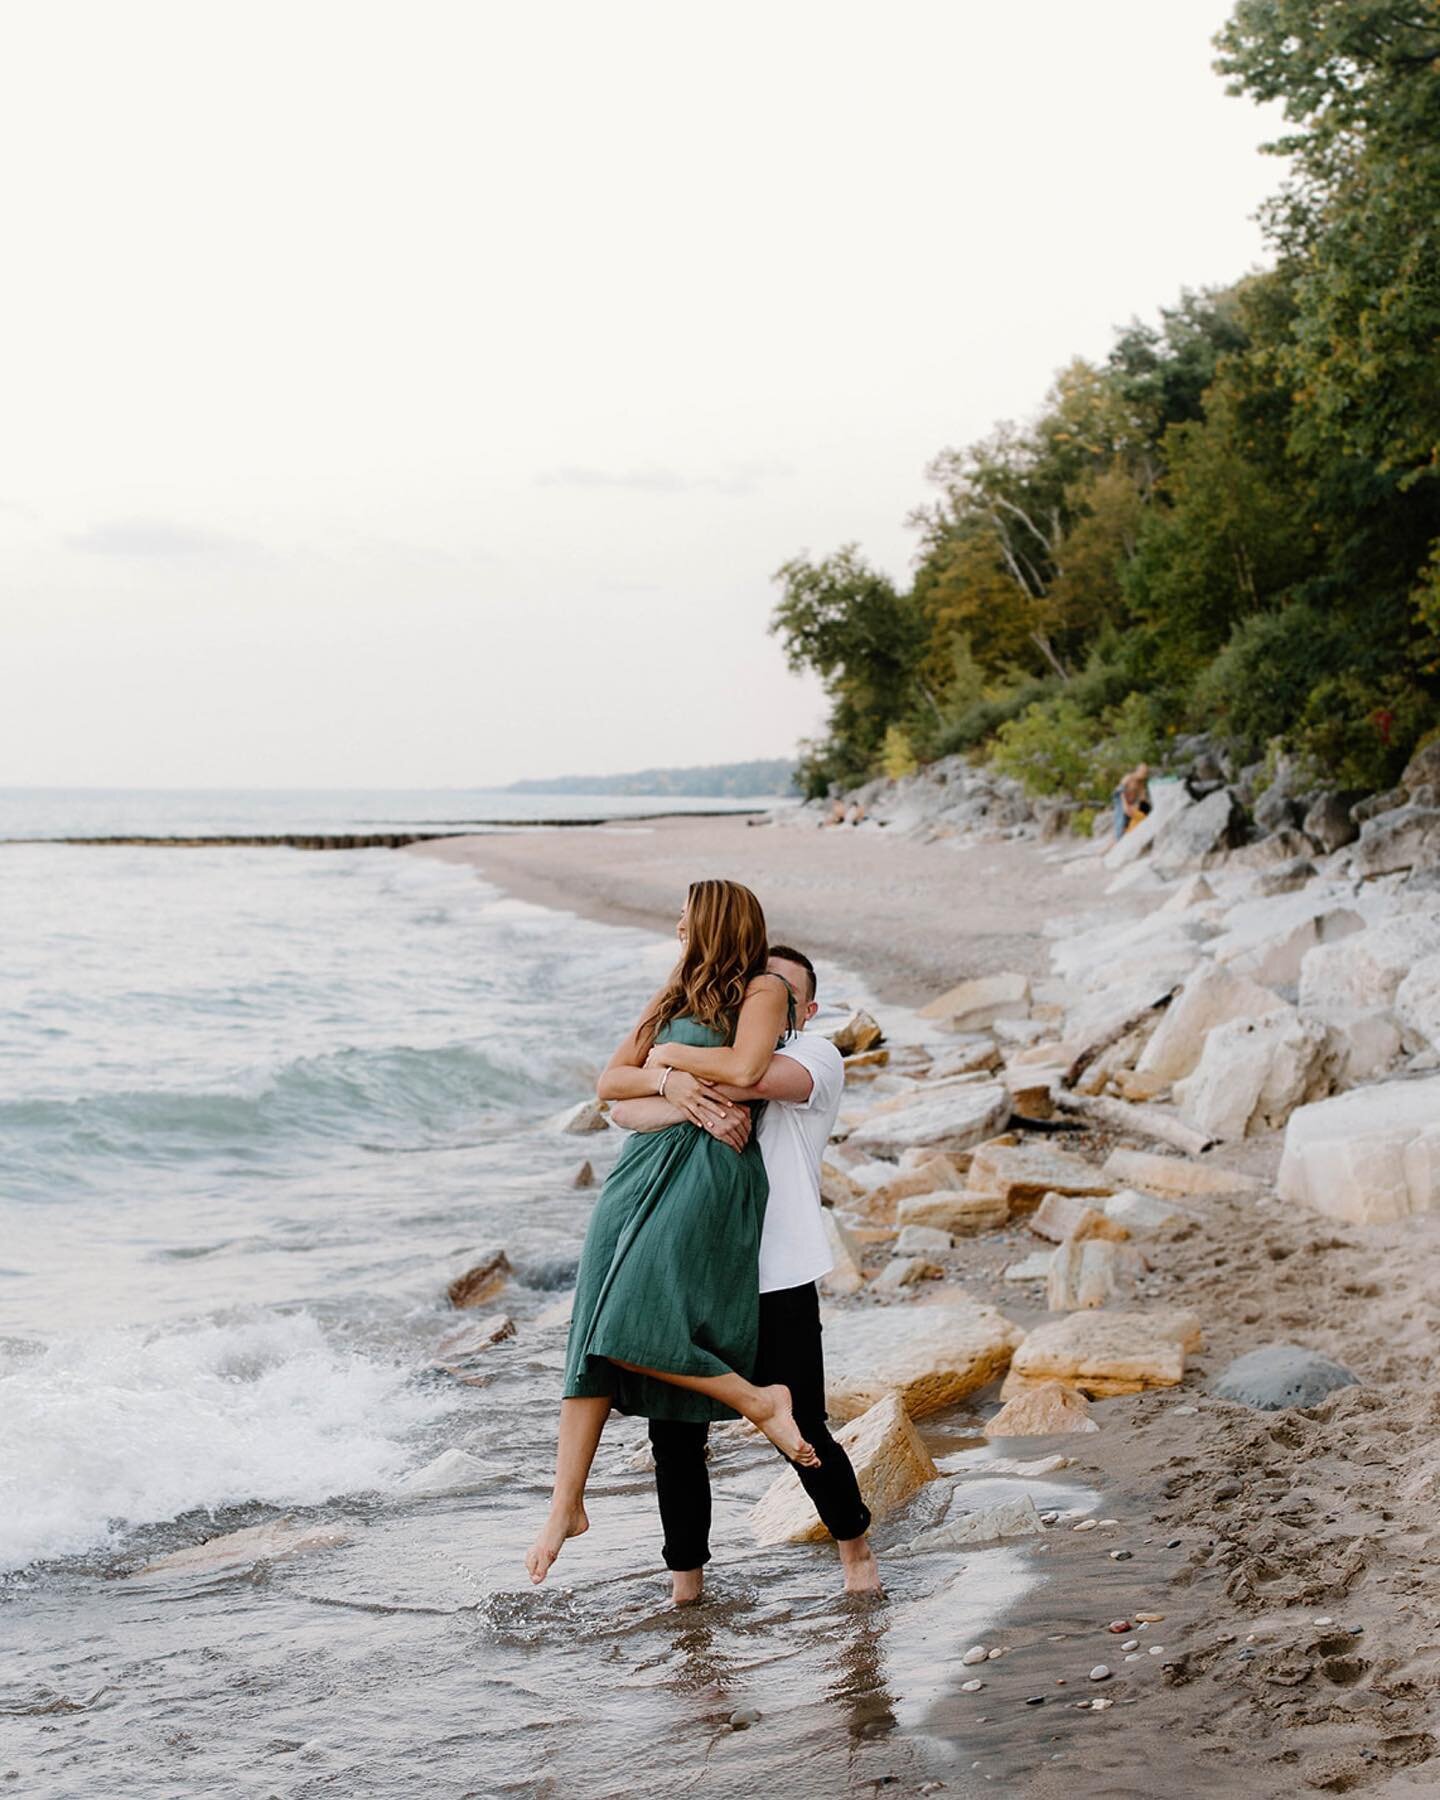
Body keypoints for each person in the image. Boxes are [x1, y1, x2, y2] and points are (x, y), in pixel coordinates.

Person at [525, 879, 819, 1587]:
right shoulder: (669, 994)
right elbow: (608, 1081)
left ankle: (756, 1400)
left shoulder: (764, 989)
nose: (678, 932)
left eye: (686, 922)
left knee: (635, 1320)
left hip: (711, 1173)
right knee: (594, 1324)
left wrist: (666, 1066)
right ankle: (566, 1501)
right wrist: (667, 1087)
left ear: (715, 923)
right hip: (637, 1177)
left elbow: (748, 1067)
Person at [611, 944, 879, 1602]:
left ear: (806, 1009)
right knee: (674, 1438)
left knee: (805, 1426)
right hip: (694, 1272)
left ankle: (857, 1557)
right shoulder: (715, 1055)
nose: (761, 1004)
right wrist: (674, 1092)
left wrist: (664, 1069)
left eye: (779, 994)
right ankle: (686, 1586)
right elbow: (618, 1109)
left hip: (776, 1274)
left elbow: (753, 1080)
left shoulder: (816, 1055)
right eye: (750, 992)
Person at [1113, 762, 1151, 839]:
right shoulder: (1129, 777)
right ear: (1137, 771)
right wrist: (1125, 804)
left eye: (1145, 773)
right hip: (1120, 798)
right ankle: (1118, 836)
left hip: (1130, 801)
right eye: (1143, 772)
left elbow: (1142, 798)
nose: (1144, 775)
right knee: (1121, 818)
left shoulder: (1141, 783)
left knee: (1133, 815)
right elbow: (1120, 790)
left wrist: (1144, 807)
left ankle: (1125, 832)